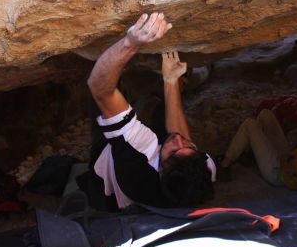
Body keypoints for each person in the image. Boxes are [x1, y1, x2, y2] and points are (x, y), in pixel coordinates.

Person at [76, 12, 216, 210]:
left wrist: (132, 42)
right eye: (190, 147)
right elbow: (181, 138)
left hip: (108, 182)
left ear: (160, 172)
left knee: (101, 102)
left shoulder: (137, 160)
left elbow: (99, 87)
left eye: (174, 151)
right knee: (160, 114)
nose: (178, 139)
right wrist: (171, 81)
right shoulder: (202, 173)